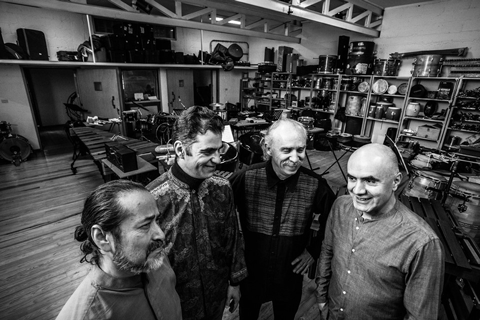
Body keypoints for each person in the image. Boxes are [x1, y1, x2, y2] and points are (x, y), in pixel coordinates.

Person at [316, 143, 444, 320]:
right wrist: (322, 298)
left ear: (396, 181)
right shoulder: (340, 207)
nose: (358, 190)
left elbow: (420, 316)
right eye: (352, 178)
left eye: (371, 181)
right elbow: (327, 251)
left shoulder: (422, 242)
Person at [147, 105, 247, 320]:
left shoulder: (223, 188)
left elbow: (233, 237)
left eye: (219, 150)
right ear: (180, 149)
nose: (218, 160)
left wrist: (235, 282)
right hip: (173, 303)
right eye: (208, 152)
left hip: (216, 293)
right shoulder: (151, 200)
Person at [229, 118, 336, 320]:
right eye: (286, 150)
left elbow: (333, 219)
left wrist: (313, 251)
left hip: (289, 275)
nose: (295, 158)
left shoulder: (315, 184)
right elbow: (220, 210)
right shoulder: (246, 177)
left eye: (300, 150)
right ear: (269, 149)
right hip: (251, 273)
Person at [56, 180, 182, 320]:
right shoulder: (86, 315)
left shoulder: (155, 260)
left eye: (156, 221)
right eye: (145, 225)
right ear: (102, 238)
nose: (161, 235)